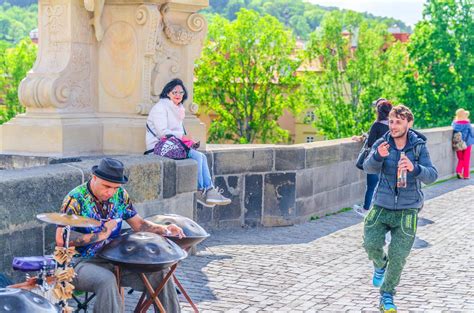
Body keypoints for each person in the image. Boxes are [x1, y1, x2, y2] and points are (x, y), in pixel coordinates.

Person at [55, 158, 185, 313]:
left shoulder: (120, 196)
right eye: (106, 186)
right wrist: (103, 233)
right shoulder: (75, 199)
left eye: (115, 187)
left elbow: (139, 225)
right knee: (106, 280)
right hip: (78, 264)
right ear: (94, 177)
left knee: (161, 273)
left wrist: (164, 229)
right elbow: (61, 239)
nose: (110, 192)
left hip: (115, 261)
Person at [362, 105, 438, 312]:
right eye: (392, 122)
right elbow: (367, 167)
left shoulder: (419, 147)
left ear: (409, 123)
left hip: (408, 209)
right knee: (370, 243)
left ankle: (387, 296)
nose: (393, 126)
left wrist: (415, 169)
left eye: (398, 122)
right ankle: (379, 264)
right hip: (381, 205)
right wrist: (377, 155)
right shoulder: (382, 142)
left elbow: (432, 175)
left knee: (398, 255)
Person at [146, 78, 231, 207]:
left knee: (201, 156)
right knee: (198, 156)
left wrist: (186, 140)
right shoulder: (161, 107)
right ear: (167, 93)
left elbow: (177, 136)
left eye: (181, 93)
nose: (178, 95)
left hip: (172, 146)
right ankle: (204, 191)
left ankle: (207, 190)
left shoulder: (178, 109)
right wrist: (183, 136)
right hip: (158, 148)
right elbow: (162, 132)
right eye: (175, 92)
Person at [352, 98, 393, 217]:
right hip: (390, 160)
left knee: (371, 186)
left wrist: (365, 137)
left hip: (376, 160)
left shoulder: (377, 125)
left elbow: (370, 143)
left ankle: (366, 209)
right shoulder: (393, 125)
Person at [452, 108, 474, 179]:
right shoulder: (467, 123)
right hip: (467, 143)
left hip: (458, 143)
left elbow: (453, 127)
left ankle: (459, 171)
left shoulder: (455, 123)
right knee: (466, 159)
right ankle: (466, 175)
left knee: (460, 158)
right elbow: (472, 133)